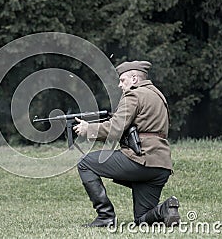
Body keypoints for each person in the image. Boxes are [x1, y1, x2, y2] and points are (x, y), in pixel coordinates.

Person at [73, 60, 180, 227]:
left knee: (85, 163)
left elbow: (115, 129)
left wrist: (89, 129)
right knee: (142, 218)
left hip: (140, 159)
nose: (119, 85)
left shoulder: (134, 95)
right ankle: (166, 209)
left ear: (135, 79)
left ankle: (105, 216)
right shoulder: (158, 95)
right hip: (161, 165)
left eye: (123, 80)